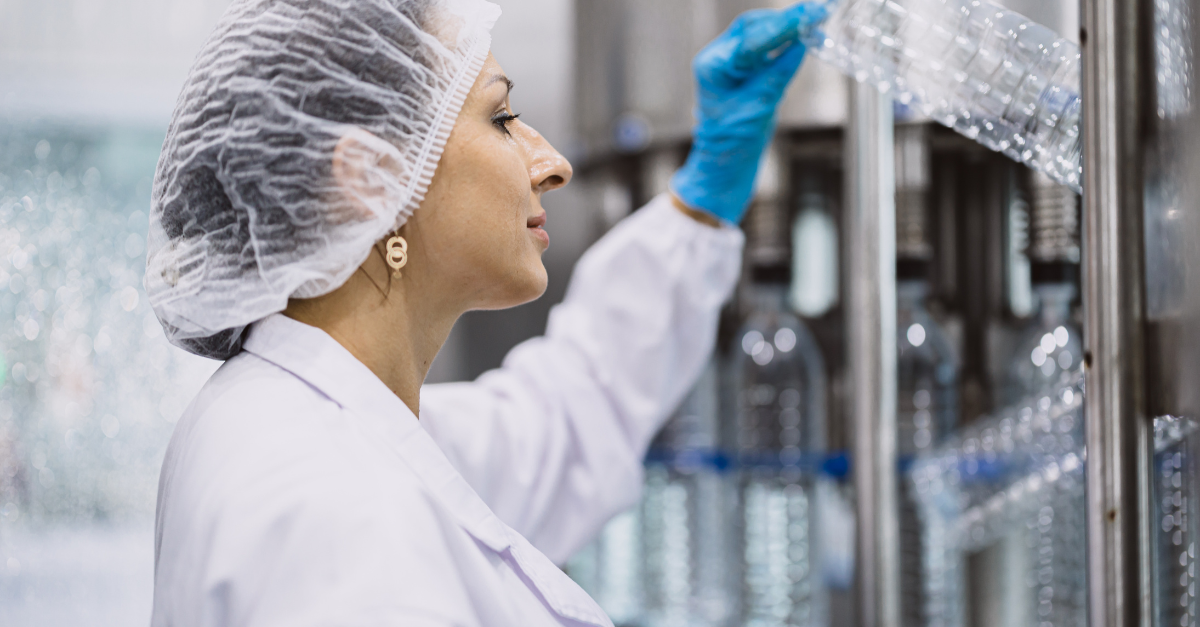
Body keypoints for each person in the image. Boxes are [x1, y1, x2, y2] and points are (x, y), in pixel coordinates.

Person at [146, 0, 827, 624]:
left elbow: (561, 420)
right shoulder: (331, 510)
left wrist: (701, 199)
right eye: (502, 117)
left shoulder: (310, 420)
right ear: (368, 181)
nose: (552, 163)